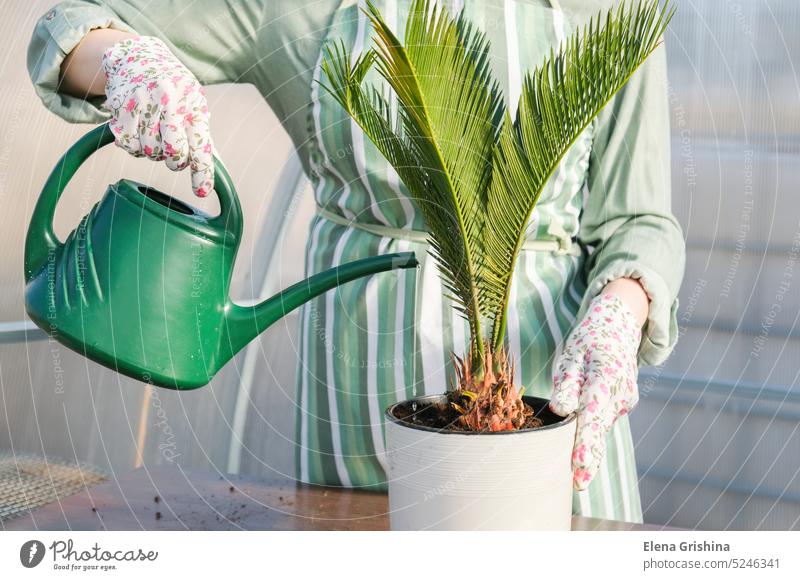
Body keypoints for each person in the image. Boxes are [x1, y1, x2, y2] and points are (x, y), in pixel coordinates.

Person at [28, 0, 685, 523]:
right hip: (359, 401)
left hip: (540, 404)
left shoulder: (609, 7)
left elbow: (638, 219)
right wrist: (128, 66)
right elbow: (73, 29)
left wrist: (621, 309)